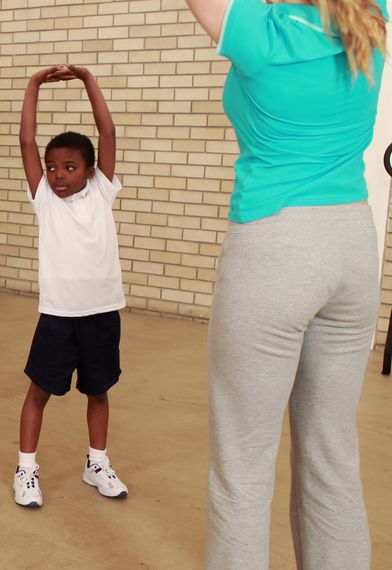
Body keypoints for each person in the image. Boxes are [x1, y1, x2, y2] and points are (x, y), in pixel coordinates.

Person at [184, 0, 387, 566]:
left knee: (242, 464)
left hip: (274, 247)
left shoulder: (261, 31)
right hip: (351, 243)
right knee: (332, 451)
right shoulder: (374, 16)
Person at [15, 65, 128, 509]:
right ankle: (26, 469)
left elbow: (108, 129)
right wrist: (33, 85)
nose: (58, 175)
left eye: (69, 167)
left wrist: (86, 79)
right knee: (38, 393)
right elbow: (26, 140)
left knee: (98, 391)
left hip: (101, 313)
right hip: (59, 316)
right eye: (52, 168)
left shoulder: (101, 190)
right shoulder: (44, 198)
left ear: (90, 169)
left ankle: (96, 462)